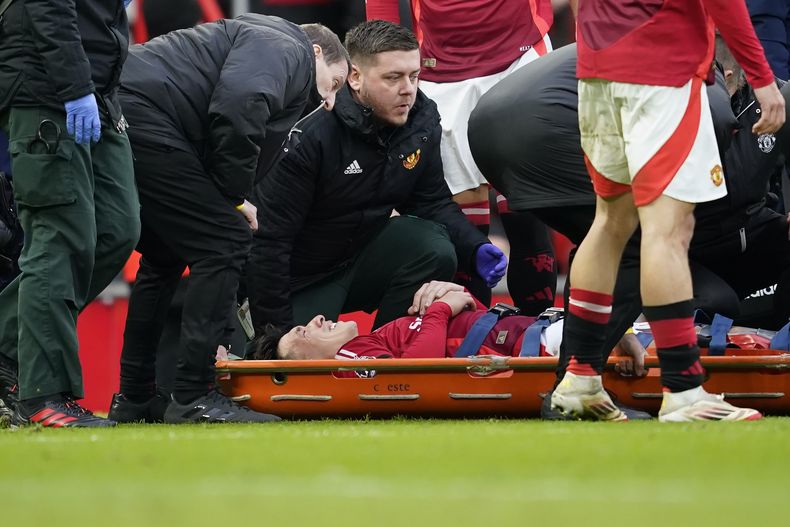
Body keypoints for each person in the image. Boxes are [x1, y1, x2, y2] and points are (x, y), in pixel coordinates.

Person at [548, 0, 784, 422]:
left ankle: (580, 377)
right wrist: (764, 80)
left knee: (610, 222)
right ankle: (683, 390)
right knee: (667, 230)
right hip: (662, 69)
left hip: (596, 69)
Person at [108, 15, 350, 424]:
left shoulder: (255, 36)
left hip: (132, 106)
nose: (329, 101)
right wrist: (233, 198)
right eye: (335, 83)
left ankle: (135, 396)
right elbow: (240, 106)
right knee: (225, 240)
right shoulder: (286, 48)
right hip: (147, 114)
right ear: (315, 53)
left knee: (164, 257)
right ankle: (193, 395)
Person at [246, 20, 507, 343]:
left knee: (432, 246)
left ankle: (386, 350)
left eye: (414, 76)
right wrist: (275, 337)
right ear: (354, 77)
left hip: (356, 259)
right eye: (393, 78)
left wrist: (474, 246)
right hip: (295, 278)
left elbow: (431, 202)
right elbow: (270, 241)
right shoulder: (311, 130)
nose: (408, 89)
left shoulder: (422, 120)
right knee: (289, 358)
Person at [0, 0, 140, 428]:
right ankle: (43, 394)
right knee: (59, 236)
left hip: (97, 89)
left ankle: (6, 345)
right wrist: (76, 88)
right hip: (49, 89)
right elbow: (47, 7)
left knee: (118, 228)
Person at [366, 0, 554, 308]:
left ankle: (539, 339)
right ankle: (473, 348)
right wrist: (380, 57)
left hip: (521, 57)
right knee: (464, 233)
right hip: (440, 71)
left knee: (528, 215)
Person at [251, 281, 648, 380]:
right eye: (304, 333)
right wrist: (442, 307)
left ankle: (620, 329)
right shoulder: (348, 360)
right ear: (310, 366)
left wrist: (458, 298)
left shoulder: (366, 343)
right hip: (543, 343)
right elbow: (417, 369)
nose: (317, 320)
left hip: (533, 332)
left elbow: (461, 327)